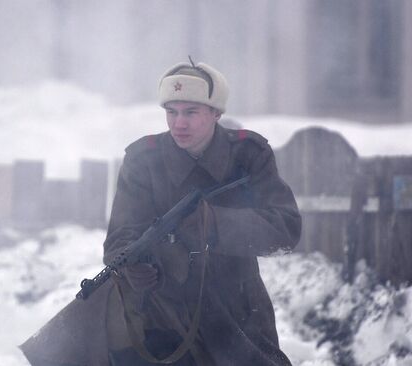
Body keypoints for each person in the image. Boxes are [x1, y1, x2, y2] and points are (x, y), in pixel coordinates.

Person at [21, 61, 301, 366]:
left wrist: (216, 224)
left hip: (235, 306)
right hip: (159, 308)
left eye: (191, 112)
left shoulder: (248, 155)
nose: (179, 123)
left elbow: (284, 230)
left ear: (215, 114)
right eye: (172, 112)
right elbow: (119, 239)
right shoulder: (144, 160)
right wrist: (133, 268)